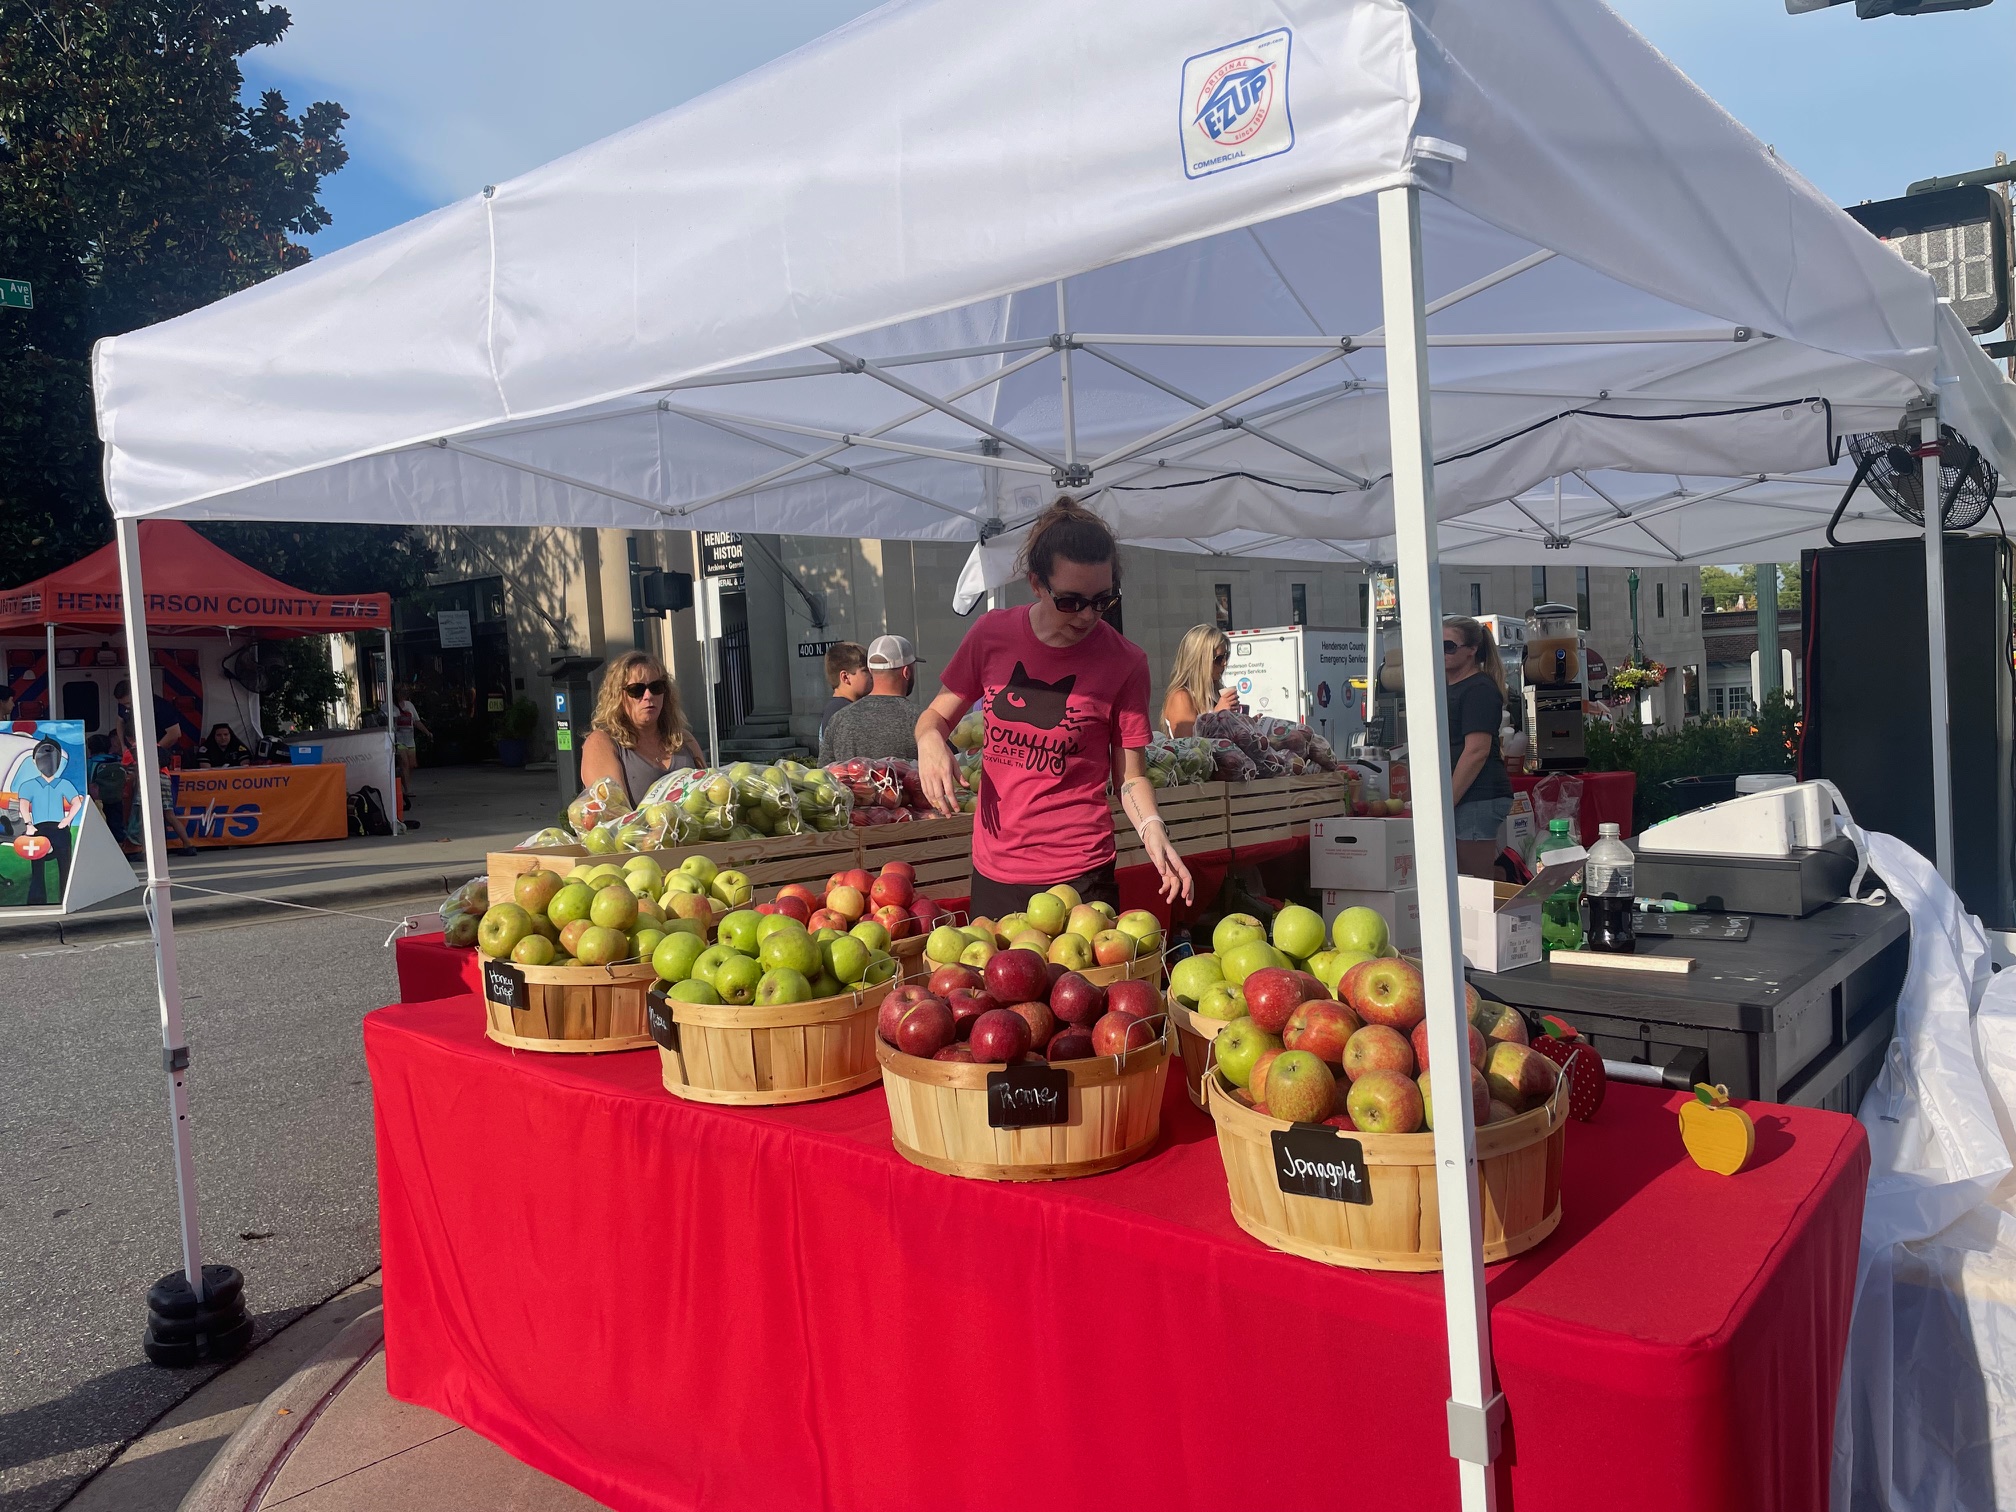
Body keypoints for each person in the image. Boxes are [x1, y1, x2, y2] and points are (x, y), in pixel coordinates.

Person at [916, 497, 1193, 915]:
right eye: (1070, 601)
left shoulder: (1126, 662)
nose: (1086, 616)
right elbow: (935, 716)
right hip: (996, 871)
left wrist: (1153, 828)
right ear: (1036, 584)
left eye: (1102, 600)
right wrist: (929, 741)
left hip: (1081, 873)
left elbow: (1130, 778)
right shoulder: (991, 634)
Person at [578, 651, 705, 806]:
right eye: (636, 690)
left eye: (656, 687)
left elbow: (709, 795)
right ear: (617, 696)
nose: (648, 696)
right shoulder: (602, 743)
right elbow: (613, 811)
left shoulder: (684, 739)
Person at [1443, 615, 1513, 878]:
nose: (1441, 652)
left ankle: (1513, 887)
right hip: (1465, 795)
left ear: (1472, 649)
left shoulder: (1479, 689)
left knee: (1474, 881)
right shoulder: (1449, 687)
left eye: (1449, 646)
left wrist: (1446, 801)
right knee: (1462, 878)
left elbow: (1477, 751)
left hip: (1477, 796)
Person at [820, 636, 922, 764]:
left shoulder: (839, 719)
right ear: (906, 672)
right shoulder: (922, 719)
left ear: (871, 670)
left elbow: (824, 772)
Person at [15, 736, 85, 905]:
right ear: (34, 761)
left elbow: (77, 802)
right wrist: (29, 825)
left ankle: (67, 899)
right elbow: (23, 805)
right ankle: (36, 900)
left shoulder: (64, 784)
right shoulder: (28, 785)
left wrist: (67, 819)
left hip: (59, 829)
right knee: (37, 868)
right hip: (38, 830)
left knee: (65, 866)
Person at [1161, 624, 1238, 737]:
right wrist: (1217, 715)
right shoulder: (1181, 697)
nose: (1224, 663)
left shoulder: (1215, 692)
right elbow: (1188, 744)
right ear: (1199, 661)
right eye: (1219, 659)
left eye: (1226, 656)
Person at [820, 642, 871, 743]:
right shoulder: (842, 711)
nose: (871, 675)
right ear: (845, 677)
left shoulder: (836, 707)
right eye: (865, 671)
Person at [391, 683, 432, 808]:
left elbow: (416, 721)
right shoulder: (390, 706)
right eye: (401, 692)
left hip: (410, 740)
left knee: (411, 765)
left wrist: (427, 732)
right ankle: (407, 789)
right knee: (404, 763)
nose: (403, 694)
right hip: (398, 740)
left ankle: (400, 778)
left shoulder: (409, 705)